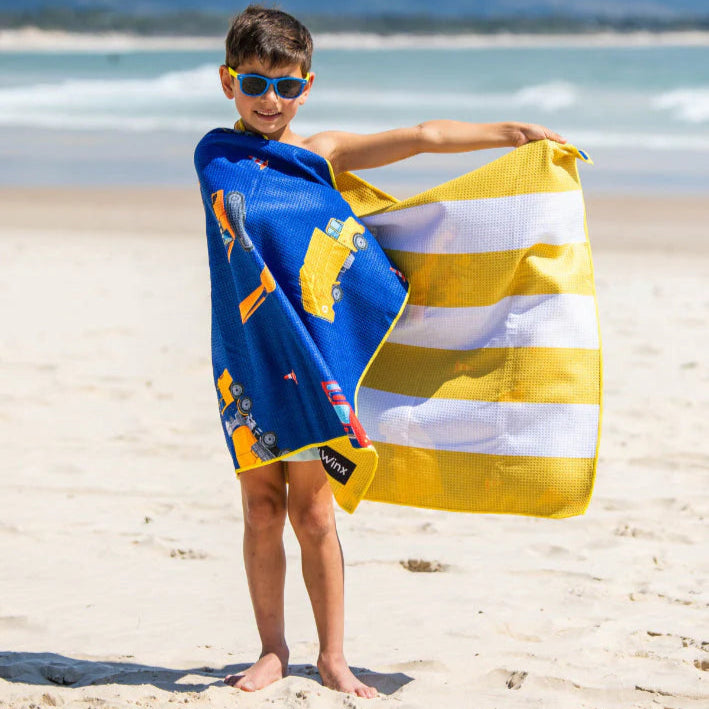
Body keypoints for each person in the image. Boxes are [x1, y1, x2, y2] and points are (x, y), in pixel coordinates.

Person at [211, 4, 565, 699]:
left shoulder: (320, 154)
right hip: (246, 353)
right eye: (254, 84)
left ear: (306, 86)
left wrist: (510, 133)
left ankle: (333, 657)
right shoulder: (214, 156)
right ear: (228, 83)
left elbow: (420, 137)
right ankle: (272, 651)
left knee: (314, 512)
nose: (270, 100)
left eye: (286, 86)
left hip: (314, 357)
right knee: (260, 509)